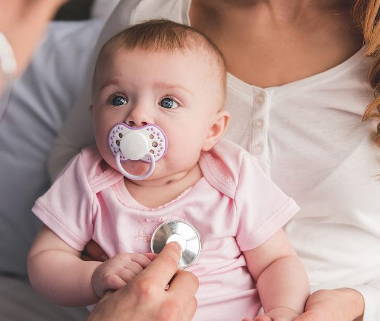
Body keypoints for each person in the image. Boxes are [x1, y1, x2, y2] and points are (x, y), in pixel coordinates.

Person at [47, 0, 380, 321]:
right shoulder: (88, 176)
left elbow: (275, 260)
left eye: (167, 102)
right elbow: (49, 252)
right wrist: (94, 272)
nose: (138, 117)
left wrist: (341, 305)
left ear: (215, 129)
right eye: (119, 99)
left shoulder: (231, 174)